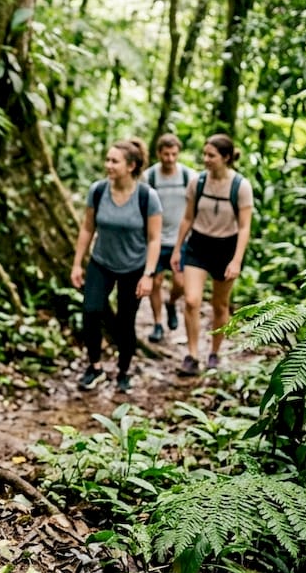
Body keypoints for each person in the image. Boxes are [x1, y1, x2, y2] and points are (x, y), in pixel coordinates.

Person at [70, 139, 163, 394]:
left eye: (114, 161)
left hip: (134, 267)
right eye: (107, 160)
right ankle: (95, 367)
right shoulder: (98, 191)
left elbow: (155, 239)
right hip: (101, 262)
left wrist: (149, 275)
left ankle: (123, 371)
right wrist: (78, 264)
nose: (107, 165)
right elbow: (88, 228)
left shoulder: (147, 197)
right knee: (90, 312)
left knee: (125, 322)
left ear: (131, 166)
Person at [172, 134, 254, 375]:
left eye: (211, 155)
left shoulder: (241, 186)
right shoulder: (196, 183)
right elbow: (187, 217)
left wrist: (237, 260)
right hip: (198, 244)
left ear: (226, 158)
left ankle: (215, 353)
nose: (205, 159)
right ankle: (192, 354)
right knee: (191, 300)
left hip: (226, 248)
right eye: (204, 154)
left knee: (220, 305)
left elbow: (245, 226)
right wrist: (177, 248)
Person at [143, 134, 194, 343]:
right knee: (155, 282)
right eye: (166, 154)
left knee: (180, 283)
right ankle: (157, 324)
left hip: (180, 240)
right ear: (159, 154)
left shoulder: (188, 176)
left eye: (174, 154)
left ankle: (171, 303)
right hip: (155, 238)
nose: (170, 159)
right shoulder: (150, 177)